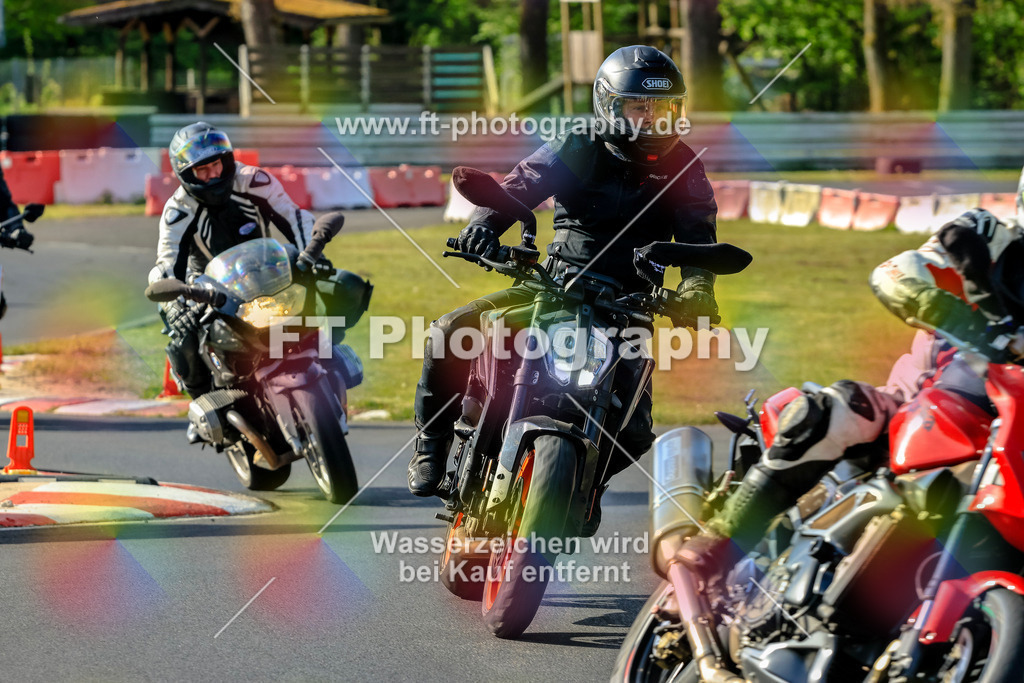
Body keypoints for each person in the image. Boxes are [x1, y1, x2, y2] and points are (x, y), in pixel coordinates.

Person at [407, 45, 721, 536]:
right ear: (609, 105)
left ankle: (583, 483)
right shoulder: (579, 144)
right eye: (639, 106)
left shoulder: (685, 167)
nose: (652, 118)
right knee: (450, 331)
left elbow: (700, 239)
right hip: (555, 285)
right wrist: (485, 225)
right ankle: (431, 449)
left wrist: (698, 288)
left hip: (629, 303)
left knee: (636, 432)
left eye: (663, 108)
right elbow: (519, 185)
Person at [677, 199, 1024, 575]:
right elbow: (897, 273)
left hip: (1009, 435)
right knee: (841, 411)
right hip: (928, 403)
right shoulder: (982, 234)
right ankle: (720, 542)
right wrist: (960, 318)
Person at [149, 122, 317, 400]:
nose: (213, 175)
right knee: (183, 341)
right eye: (202, 170)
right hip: (208, 292)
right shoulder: (178, 210)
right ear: (186, 174)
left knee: (333, 288)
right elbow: (166, 264)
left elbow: (294, 217)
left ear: (226, 159)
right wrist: (174, 305)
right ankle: (206, 403)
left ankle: (327, 368)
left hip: (268, 274)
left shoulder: (253, 180)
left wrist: (312, 254)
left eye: (216, 164)